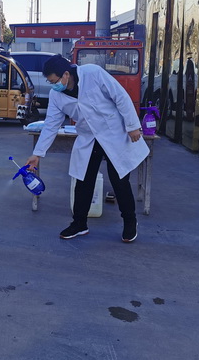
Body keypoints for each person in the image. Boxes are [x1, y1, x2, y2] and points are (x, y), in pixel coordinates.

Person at [26, 55, 148, 242]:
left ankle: (130, 221)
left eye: (54, 81)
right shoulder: (56, 95)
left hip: (112, 133)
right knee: (83, 180)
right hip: (89, 137)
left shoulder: (93, 73)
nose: (53, 86)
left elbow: (120, 96)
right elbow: (51, 124)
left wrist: (132, 126)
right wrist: (37, 154)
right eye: (50, 82)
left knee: (119, 180)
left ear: (66, 74)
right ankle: (79, 224)